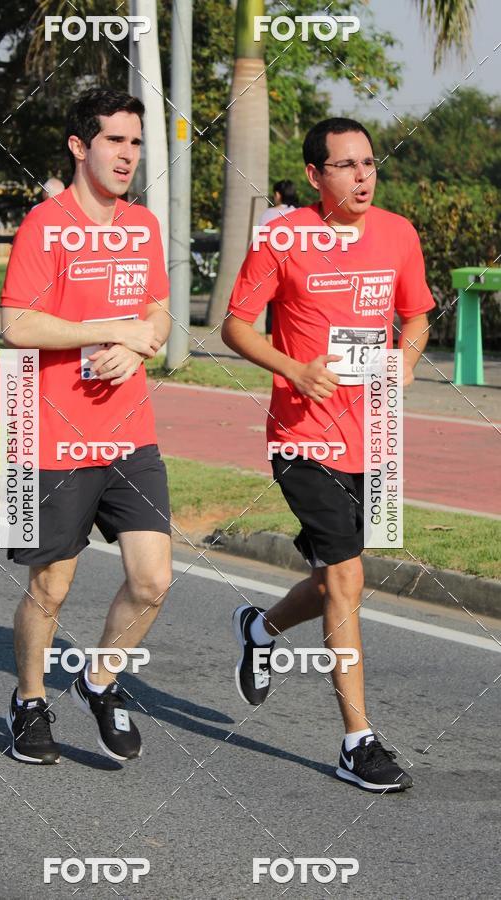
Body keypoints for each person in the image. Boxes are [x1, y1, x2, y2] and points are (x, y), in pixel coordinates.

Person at [223, 117, 434, 793]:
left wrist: (406, 356)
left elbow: (417, 314)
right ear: (316, 175)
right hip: (304, 438)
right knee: (346, 581)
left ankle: (261, 624)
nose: (363, 175)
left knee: (339, 578)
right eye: (346, 165)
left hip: (375, 437)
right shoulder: (282, 237)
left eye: (369, 162)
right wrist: (294, 368)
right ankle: (357, 741)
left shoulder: (399, 234)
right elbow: (234, 325)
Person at [0, 87, 172, 765]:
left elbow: (157, 311)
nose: (128, 155)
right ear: (80, 147)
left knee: (153, 579)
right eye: (115, 141)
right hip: (51, 433)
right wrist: (109, 328)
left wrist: (138, 345)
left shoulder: (144, 226)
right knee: (51, 586)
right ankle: (29, 701)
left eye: (135, 142)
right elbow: (16, 325)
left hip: (131, 431)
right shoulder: (46, 225)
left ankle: (97, 681)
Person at [258, 180, 299, 342]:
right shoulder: (301, 212)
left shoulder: (268, 214)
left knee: (272, 311)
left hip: (274, 269)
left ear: (277, 195)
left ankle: (273, 353)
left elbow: (261, 243)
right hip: (297, 269)